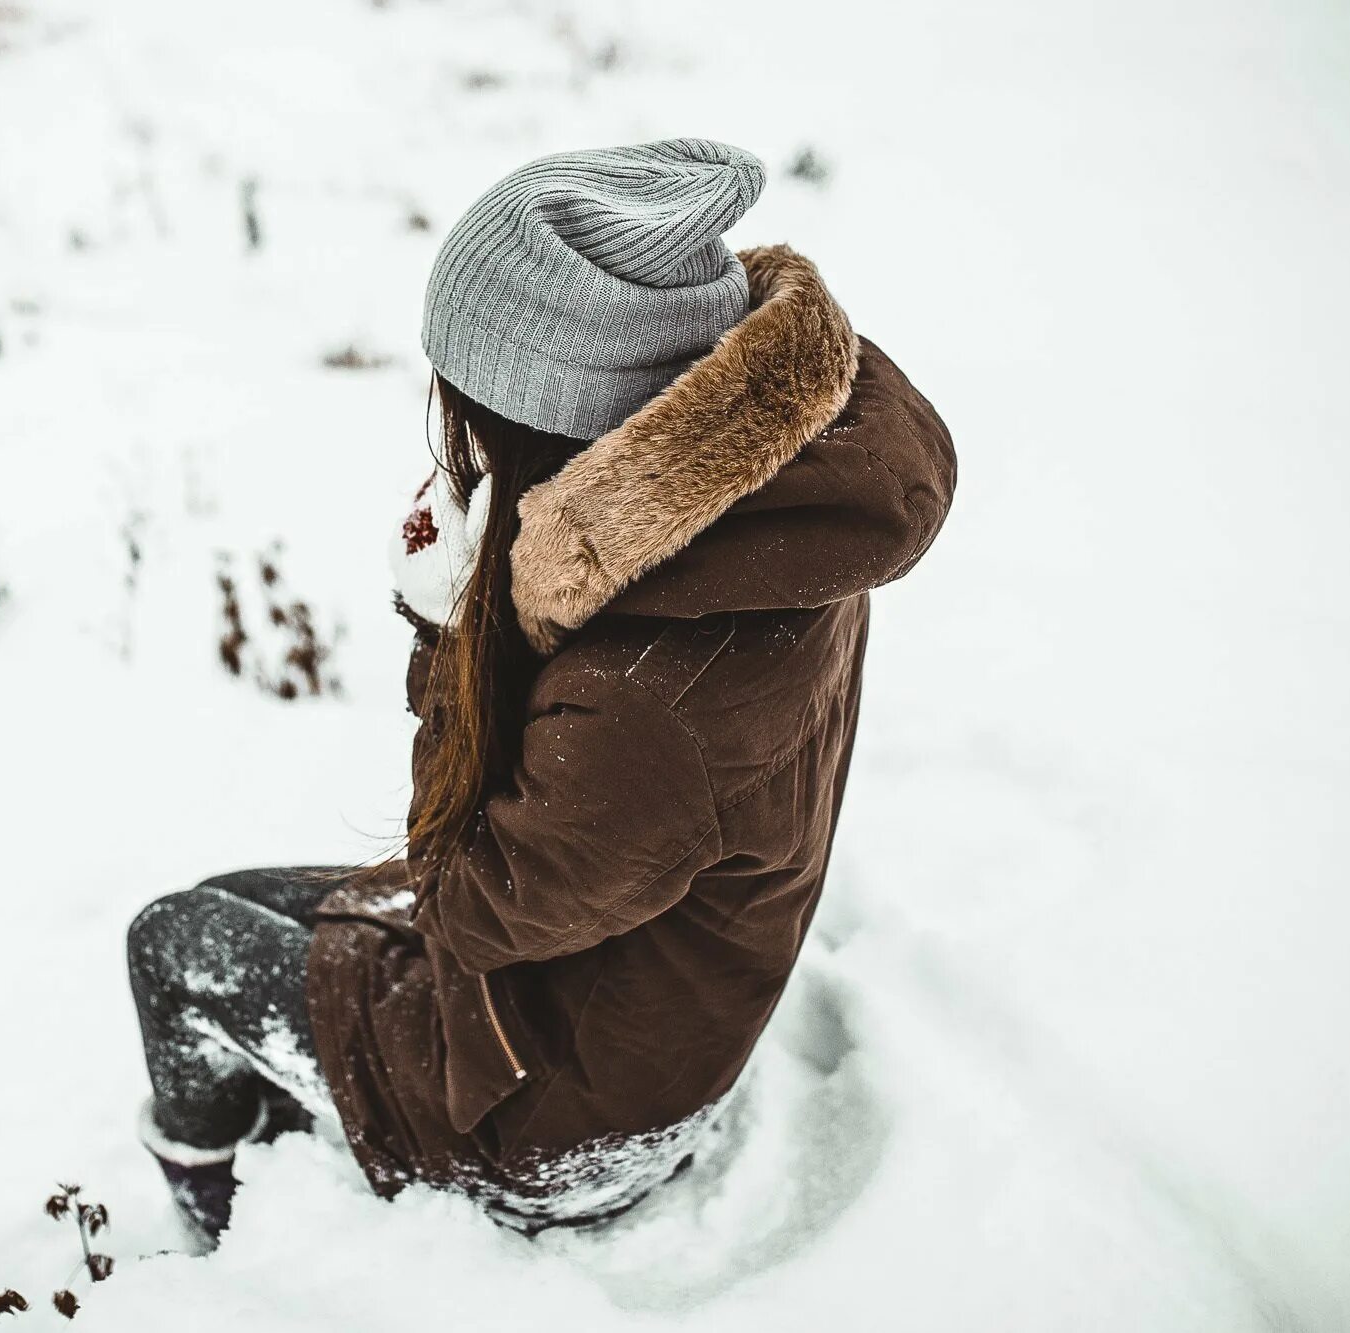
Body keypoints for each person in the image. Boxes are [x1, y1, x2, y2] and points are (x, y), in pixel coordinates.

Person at [126, 138, 956, 1242]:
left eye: (464, 396)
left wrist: (443, 630)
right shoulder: (764, 523)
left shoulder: (650, 694)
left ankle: (215, 1241)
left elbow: (466, 908)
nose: (445, 425)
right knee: (232, 897)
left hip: (555, 1119)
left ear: (552, 420)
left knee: (173, 943)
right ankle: (290, 1117)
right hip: (604, 994)